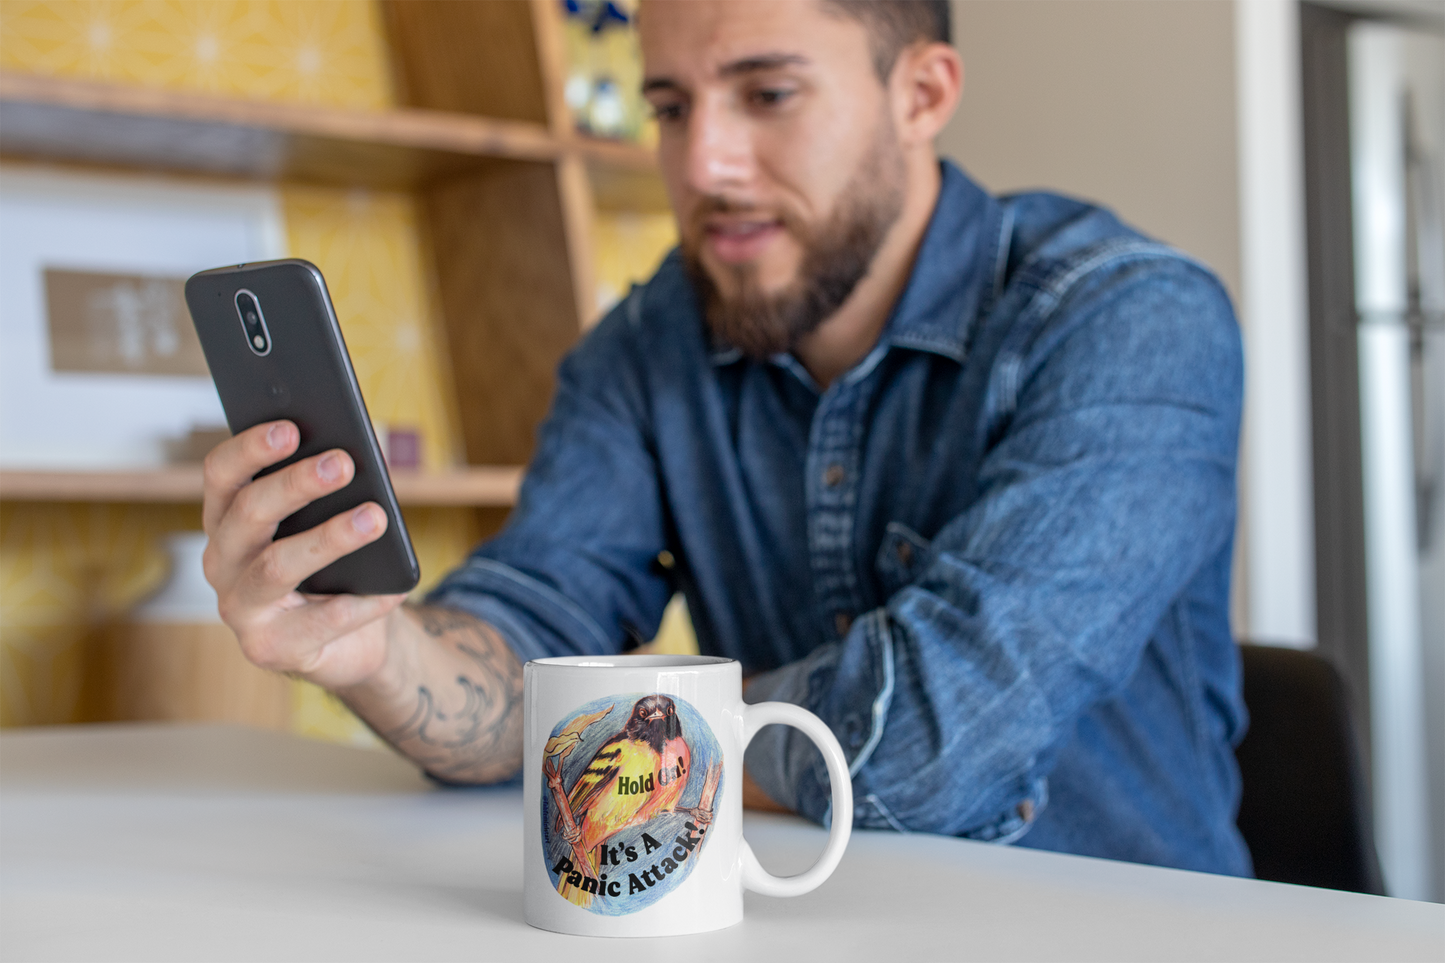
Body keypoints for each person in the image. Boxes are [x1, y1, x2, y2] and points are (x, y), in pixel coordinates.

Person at [200, 0, 1251, 875]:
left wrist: (588, 729)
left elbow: (925, 745)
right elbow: (522, 638)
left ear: (920, 95)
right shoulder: (647, 343)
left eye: (767, 94)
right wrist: (377, 653)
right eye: (668, 105)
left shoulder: (1129, 320)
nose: (702, 163)